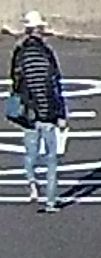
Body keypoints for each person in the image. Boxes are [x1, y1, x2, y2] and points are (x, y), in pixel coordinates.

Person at [14, 13, 65, 213]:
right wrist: (61, 113)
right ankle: (50, 201)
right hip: (48, 113)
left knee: (30, 153)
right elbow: (55, 84)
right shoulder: (47, 53)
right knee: (51, 158)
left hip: (29, 113)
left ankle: (32, 182)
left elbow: (16, 81)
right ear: (40, 30)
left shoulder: (20, 53)